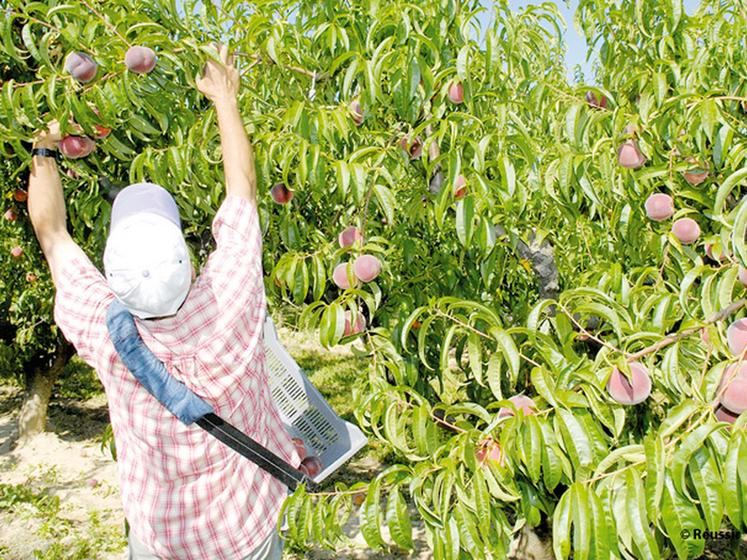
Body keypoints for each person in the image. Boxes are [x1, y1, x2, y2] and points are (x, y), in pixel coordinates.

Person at [27, 45, 300, 559]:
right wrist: (224, 97)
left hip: (163, 541)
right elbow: (242, 189)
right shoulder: (232, 298)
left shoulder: (105, 332)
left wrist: (44, 147)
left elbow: (52, 233)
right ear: (190, 260)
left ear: (111, 273)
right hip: (247, 531)